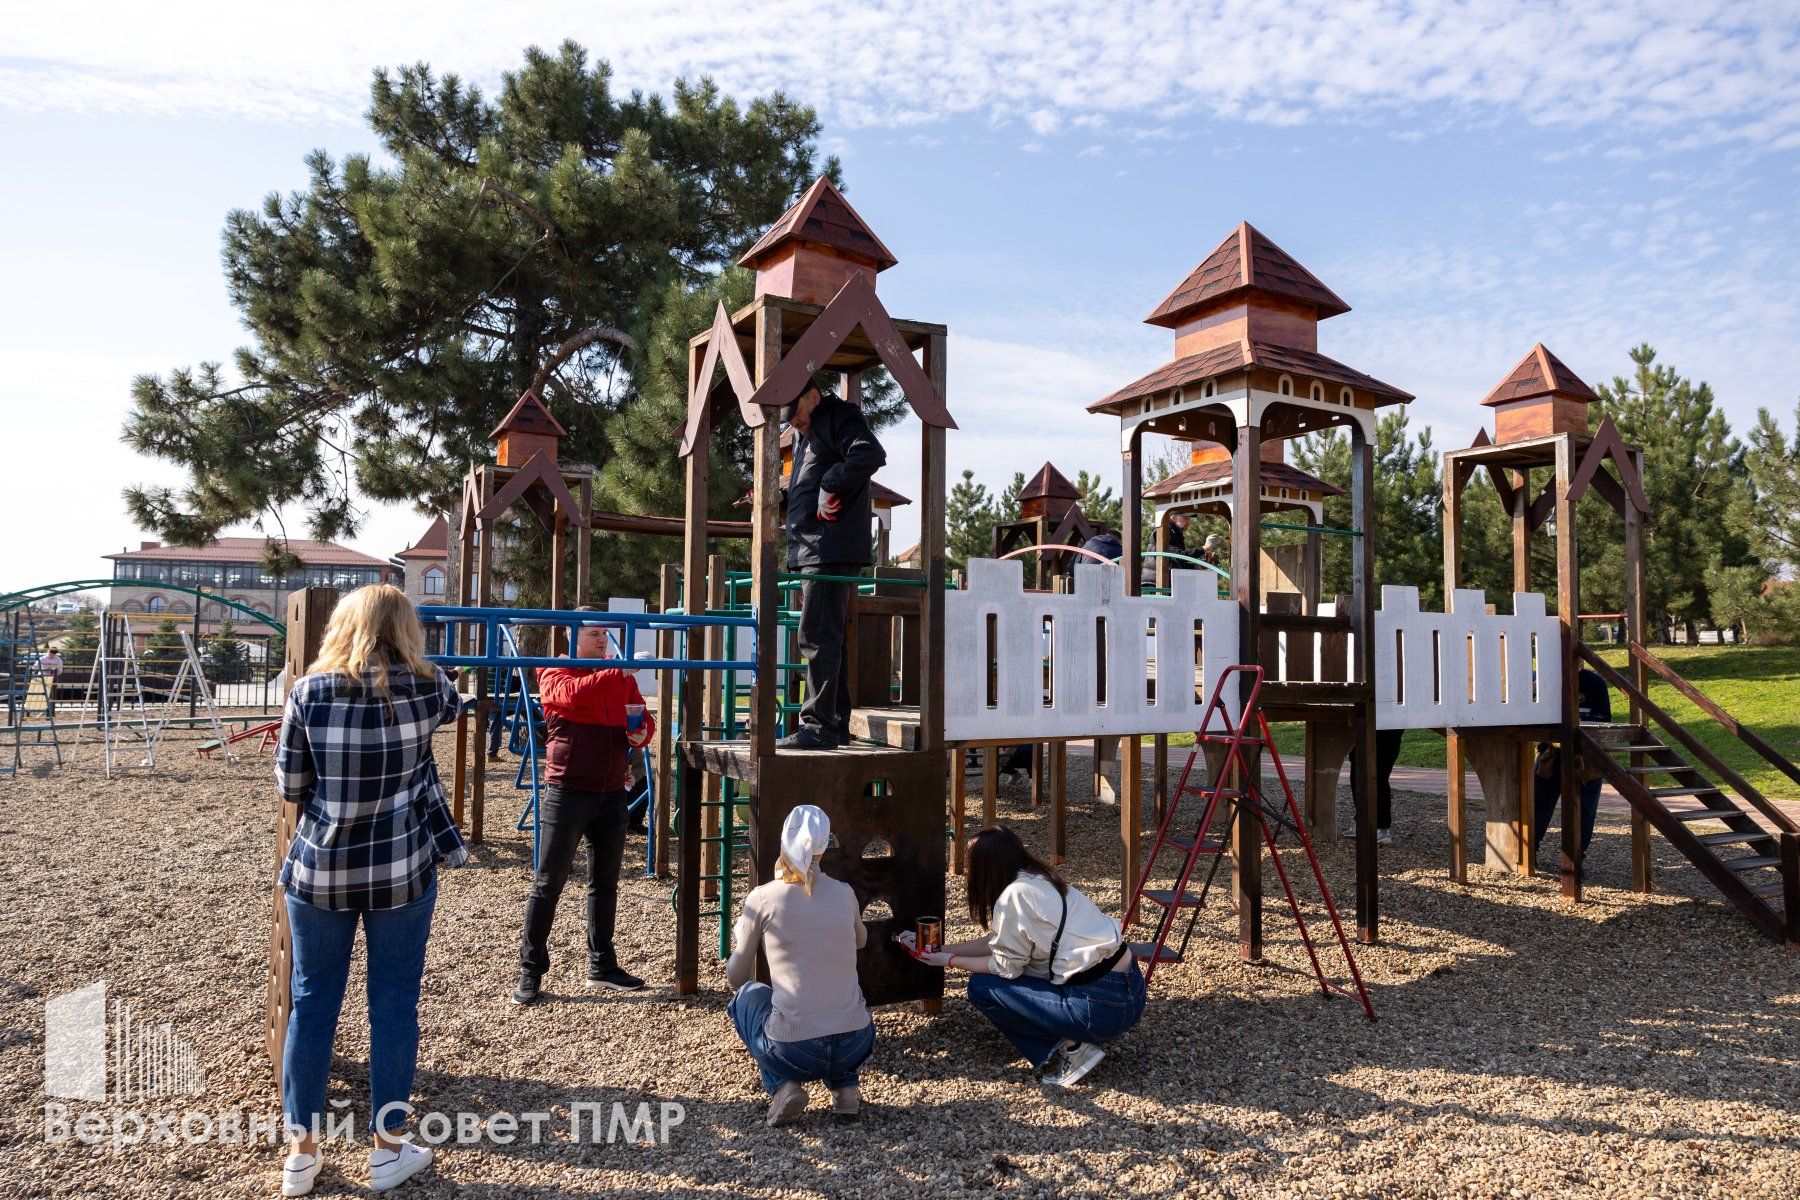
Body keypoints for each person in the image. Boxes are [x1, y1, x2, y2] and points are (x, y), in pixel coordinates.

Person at [274, 584, 465, 1197]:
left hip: (321, 867)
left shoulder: (308, 692)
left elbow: (290, 783)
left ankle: (301, 1153)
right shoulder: (429, 688)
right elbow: (454, 707)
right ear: (406, 627)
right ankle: (388, 1148)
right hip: (399, 867)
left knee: (312, 1002)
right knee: (394, 1003)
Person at [911, 826, 1146, 1088]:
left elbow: (1005, 967)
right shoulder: (1040, 879)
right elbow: (999, 942)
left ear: (987, 867)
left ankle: (1074, 1047)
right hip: (1133, 993)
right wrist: (944, 949)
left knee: (982, 986)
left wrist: (948, 962)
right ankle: (1077, 1036)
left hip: (1099, 1009)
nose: (968, 871)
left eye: (971, 864)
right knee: (1017, 971)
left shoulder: (1014, 896)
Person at [514, 610, 656, 1005]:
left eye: (604, 634)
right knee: (548, 881)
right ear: (571, 635)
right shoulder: (555, 669)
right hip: (568, 790)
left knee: (605, 883)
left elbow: (640, 714)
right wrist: (618, 672)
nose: (602, 640)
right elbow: (573, 696)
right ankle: (530, 969)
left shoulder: (617, 673)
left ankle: (602, 965)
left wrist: (642, 732)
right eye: (594, 634)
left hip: (611, 790)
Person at [725, 804, 874, 1126]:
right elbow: (861, 940)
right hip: (856, 1043)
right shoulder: (844, 892)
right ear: (825, 845)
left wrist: (740, 940)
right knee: (841, 998)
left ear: (784, 839)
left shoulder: (763, 897)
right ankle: (846, 1088)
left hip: (795, 1051)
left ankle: (783, 1085)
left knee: (746, 997)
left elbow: (736, 978)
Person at [780, 381, 887, 750]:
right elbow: (811, 480)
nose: (793, 422)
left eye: (795, 413)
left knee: (817, 637)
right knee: (828, 639)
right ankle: (835, 723)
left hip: (828, 548)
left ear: (812, 396)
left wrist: (830, 483)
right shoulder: (808, 431)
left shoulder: (838, 416)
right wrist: (784, 496)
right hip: (815, 547)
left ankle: (818, 726)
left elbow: (870, 453)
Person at [1533, 667, 1612, 862]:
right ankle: (1529, 851)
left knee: (1584, 811)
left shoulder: (1595, 682)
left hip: (1586, 756)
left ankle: (1576, 858)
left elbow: (1604, 718)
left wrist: (1571, 722)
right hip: (1551, 753)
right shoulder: (1545, 679)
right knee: (1538, 805)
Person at [36, 647, 62, 717]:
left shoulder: (58, 660)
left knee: (51, 695)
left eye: (52, 655)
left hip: (52, 679)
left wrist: (53, 670)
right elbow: (35, 667)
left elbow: (60, 671)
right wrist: (43, 666)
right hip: (42, 678)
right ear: (48, 652)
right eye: (50, 654)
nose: (50, 656)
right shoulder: (42, 658)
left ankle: (50, 711)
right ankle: (41, 711)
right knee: (42, 695)